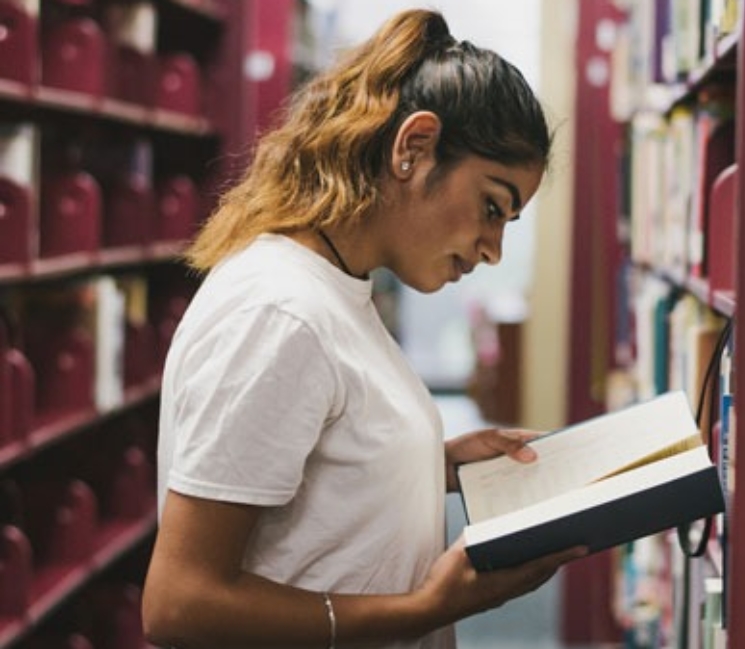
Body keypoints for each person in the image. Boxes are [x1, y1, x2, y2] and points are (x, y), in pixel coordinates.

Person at [141, 8, 584, 649]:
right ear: (414, 147)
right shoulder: (279, 313)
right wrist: (423, 609)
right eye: (492, 206)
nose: (492, 248)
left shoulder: (341, 288)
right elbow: (179, 605)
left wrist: (430, 463)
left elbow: (306, 468)